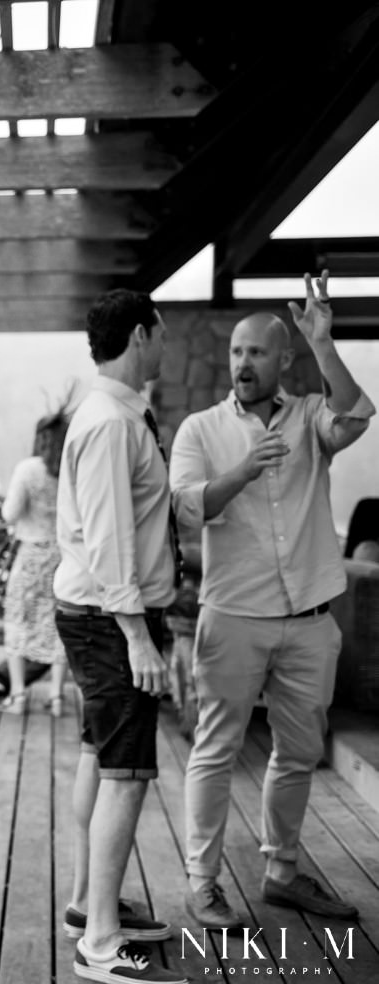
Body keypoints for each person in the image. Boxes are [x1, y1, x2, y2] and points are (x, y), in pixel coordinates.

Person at [171, 272, 372, 929]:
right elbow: (188, 504)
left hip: (312, 619)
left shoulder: (312, 414)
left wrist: (324, 341)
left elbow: (359, 413)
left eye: (256, 351)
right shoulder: (201, 429)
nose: (241, 363)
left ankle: (282, 871)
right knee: (215, 749)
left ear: (282, 359)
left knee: (298, 751)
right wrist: (245, 469)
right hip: (233, 617)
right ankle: (203, 883)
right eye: (235, 351)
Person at [53, 289, 186, 984]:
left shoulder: (116, 414)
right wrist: (138, 636)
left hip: (100, 614)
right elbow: (108, 542)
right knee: (126, 773)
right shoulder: (109, 422)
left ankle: (87, 902)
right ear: (141, 335)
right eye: (161, 335)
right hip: (111, 620)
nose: (165, 347)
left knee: (100, 756)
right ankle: (101, 942)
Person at [0, 405, 72, 716]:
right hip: (62, 558)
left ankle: (18, 696)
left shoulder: (28, 470)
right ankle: (55, 697)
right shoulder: (71, 470)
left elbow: (9, 513)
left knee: (18, 620)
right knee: (57, 626)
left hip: (30, 556)